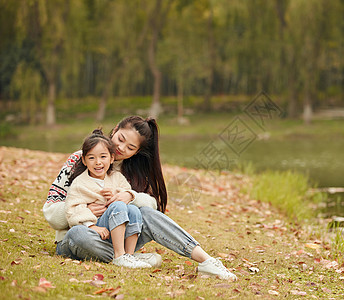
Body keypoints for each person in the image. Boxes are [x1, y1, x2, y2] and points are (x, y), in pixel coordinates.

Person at [43, 116, 237, 280]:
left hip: (119, 238)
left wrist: (129, 195)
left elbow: (151, 206)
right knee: (79, 234)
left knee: (144, 212)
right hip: (83, 236)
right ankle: (130, 258)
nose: (120, 148)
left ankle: (207, 261)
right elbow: (50, 211)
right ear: (115, 129)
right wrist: (85, 210)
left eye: (130, 147)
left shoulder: (132, 171)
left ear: (136, 152)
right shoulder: (82, 158)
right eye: (120, 139)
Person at [65, 129, 155, 268]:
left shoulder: (116, 177)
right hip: (94, 230)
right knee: (78, 233)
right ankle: (119, 255)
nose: (98, 162)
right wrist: (92, 226)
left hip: (115, 231)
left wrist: (115, 195)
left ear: (112, 158)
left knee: (131, 209)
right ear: (83, 160)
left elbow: (126, 192)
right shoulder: (80, 183)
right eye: (91, 158)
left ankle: (128, 256)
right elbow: (73, 209)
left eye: (103, 157)